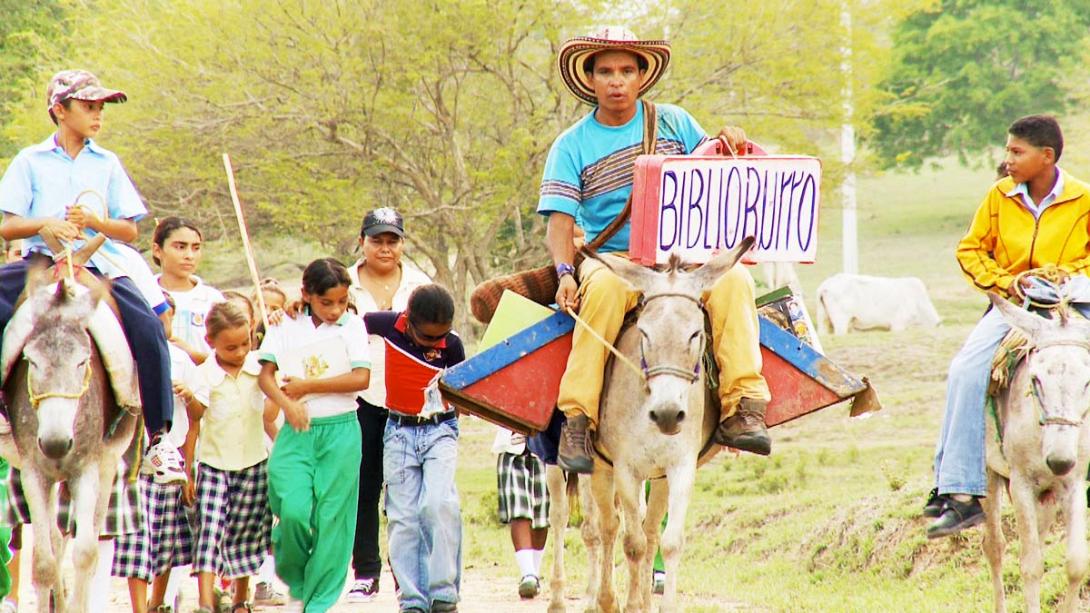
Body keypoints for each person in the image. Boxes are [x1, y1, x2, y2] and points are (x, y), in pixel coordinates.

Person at [538, 28, 770, 474]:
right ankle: (578, 418)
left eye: (627, 70)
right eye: (605, 71)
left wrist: (729, 144)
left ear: (642, 76)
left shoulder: (675, 122)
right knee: (602, 291)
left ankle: (744, 405)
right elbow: (560, 223)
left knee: (736, 280)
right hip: (620, 263)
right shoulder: (571, 145)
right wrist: (567, 271)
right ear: (589, 80)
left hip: (684, 259)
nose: (616, 80)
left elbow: (714, 174)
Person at [0, 69, 184, 484]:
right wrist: (46, 223)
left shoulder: (107, 162)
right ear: (59, 110)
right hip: (41, 261)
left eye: (101, 107)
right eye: (88, 107)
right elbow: (8, 226)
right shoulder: (30, 160)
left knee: (150, 330)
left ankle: (159, 439)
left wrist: (96, 220)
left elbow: (129, 230)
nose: (98, 115)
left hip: (98, 263)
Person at [927, 115, 1090, 538]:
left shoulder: (1082, 200)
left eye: (1017, 152)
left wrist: (1065, 274)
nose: (1008, 159)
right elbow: (970, 250)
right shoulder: (999, 197)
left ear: (1046, 157)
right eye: (1008, 150)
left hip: (1073, 305)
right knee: (965, 369)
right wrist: (1009, 281)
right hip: (1014, 306)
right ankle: (959, 491)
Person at [258, 258, 371, 613]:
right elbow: (265, 376)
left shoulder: (353, 326)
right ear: (306, 295)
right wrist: (286, 404)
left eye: (342, 301)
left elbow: (361, 379)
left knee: (332, 518)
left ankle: (317, 603)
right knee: (291, 509)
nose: (336, 309)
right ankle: (297, 580)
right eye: (327, 302)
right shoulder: (286, 323)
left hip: (341, 430)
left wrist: (309, 386)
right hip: (297, 430)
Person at [363, 284, 465, 613]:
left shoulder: (452, 344)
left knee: (438, 504)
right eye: (429, 338)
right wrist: (298, 309)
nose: (437, 344)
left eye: (442, 336)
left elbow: (461, 391)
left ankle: (444, 593)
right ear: (407, 322)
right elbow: (344, 321)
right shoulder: (385, 325)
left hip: (440, 429)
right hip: (399, 433)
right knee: (403, 516)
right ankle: (412, 600)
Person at [346, 207, 430, 603]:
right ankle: (365, 571)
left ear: (402, 243)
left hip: (408, 402)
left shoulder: (420, 285)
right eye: (376, 239)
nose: (384, 247)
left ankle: (406, 573)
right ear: (361, 240)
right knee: (362, 487)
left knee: (404, 491)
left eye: (392, 240)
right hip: (356, 398)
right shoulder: (342, 283)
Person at [183, 300, 273, 613]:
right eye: (231, 347)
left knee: (247, 530)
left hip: (253, 462)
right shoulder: (203, 376)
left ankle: (240, 599)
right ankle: (206, 601)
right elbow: (193, 425)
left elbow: (272, 412)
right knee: (209, 529)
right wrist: (188, 473)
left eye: (245, 344)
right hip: (213, 464)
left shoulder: (259, 368)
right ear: (210, 343)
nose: (240, 353)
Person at [112, 293, 198, 613]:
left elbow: (195, 418)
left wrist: (188, 464)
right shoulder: (122, 354)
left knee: (166, 538)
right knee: (138, 539)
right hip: (133, 460)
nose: (160, 324)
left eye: (166, 316)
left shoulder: (180, 359)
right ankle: (138, 607)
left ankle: (157, 603)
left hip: (169, 457)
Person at [153, 217, 224, 365]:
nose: (189, 256)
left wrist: (191, 353)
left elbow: (228, 357)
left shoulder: (213, 300)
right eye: (180, 247)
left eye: (196, 248)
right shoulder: (144, 295)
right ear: (157, 250)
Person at [492, 427, 549, 599]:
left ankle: (534, 574)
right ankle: (528, 574)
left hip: (545, 450)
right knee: (518, 510)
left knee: (542, 516)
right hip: (512, 449)